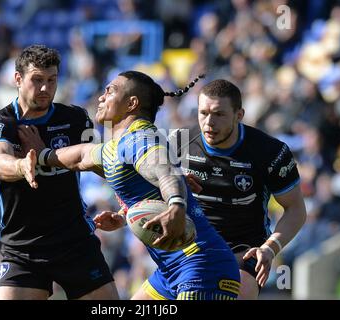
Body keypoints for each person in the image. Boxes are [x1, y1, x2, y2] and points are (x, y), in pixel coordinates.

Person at [17, 70, 241, 300]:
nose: (101, 97)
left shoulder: (140, 139)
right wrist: (42, 154)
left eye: (110, 91)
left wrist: (176, 205)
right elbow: (82, 156)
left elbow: (166, 172)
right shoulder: (119, 146)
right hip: (170, 273)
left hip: (203, 268)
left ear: (132, 103)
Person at [0, 45, 118, 300]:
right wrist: (22, 166)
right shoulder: (2, 125)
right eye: (37, 80)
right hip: (23, 247)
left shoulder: (75, 119)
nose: (45, 88)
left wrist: (131, 201)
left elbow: (105, 165)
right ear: (18, 79)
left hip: (75, 241)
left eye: (52, 80)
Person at [169, 79, 307, 299]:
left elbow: (296, 209)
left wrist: (270, 248)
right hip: (190, 252)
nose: (209, 122)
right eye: (203, 113)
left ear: (239, 115)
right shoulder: (179, 142)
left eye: (219, 114)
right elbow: (152, 189)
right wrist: (124, 213)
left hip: (244, 254)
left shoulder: (269, 152)